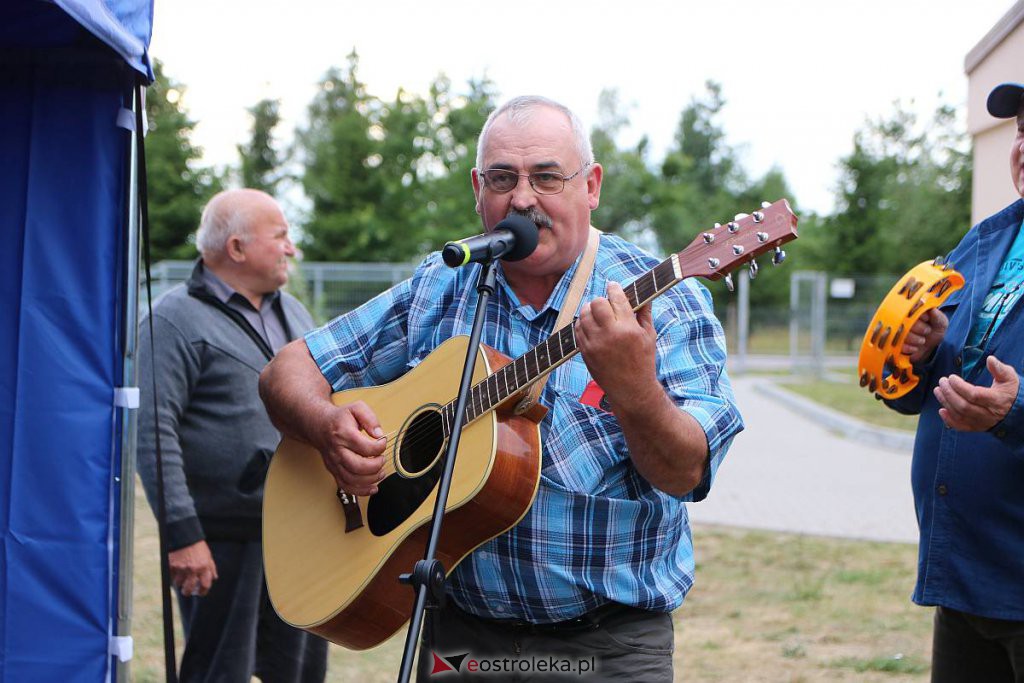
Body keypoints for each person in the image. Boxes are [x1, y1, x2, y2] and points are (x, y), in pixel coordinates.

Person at [259, 96, 742, 681]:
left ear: (590, 186)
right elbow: (287, 370)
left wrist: (634, 387)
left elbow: (686, 473)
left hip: (608, 648)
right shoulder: (443, 285)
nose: (521, 198)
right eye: (502, 178)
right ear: (477, 188)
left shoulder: (663, 301)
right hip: (459, 637)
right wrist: (325, 427)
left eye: (546, 177)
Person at [137, 189, 327, 682]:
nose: (292, 249)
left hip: (300, 532)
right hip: (221, 543)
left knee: (300, 671)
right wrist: (183, 536)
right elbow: (153, 431)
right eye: (281, 236)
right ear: (237, 248)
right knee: (219, 673)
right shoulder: (173, 321)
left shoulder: (296, 314)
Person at [890, 82, 1024, 682]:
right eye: (1023, 132)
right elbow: (926, 388)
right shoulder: (984, 241)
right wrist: (923, 354)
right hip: (965, 576)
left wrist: (1014, 410)